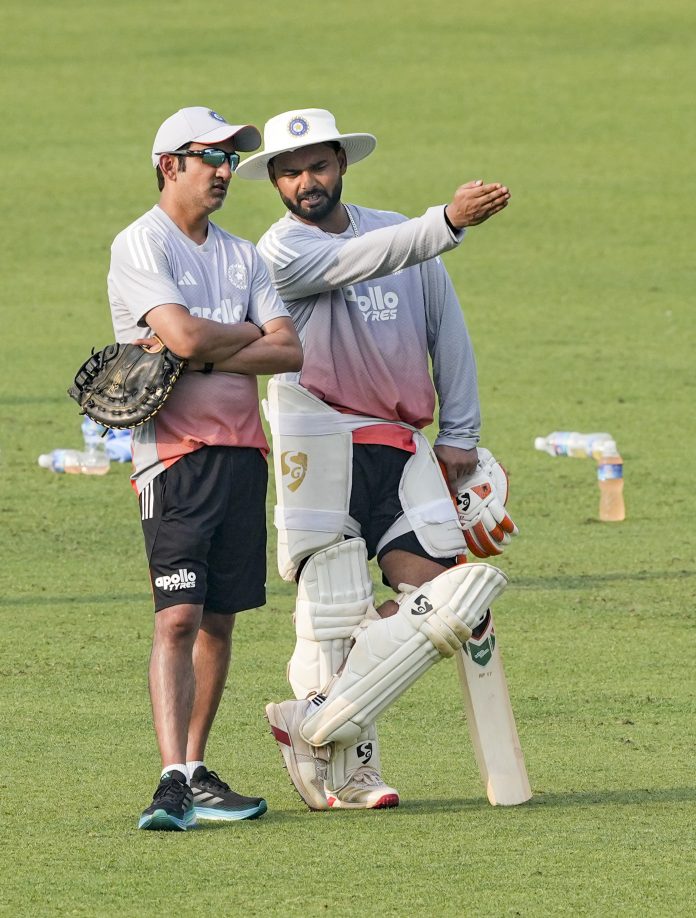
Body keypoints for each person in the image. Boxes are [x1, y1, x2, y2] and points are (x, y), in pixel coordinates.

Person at [236, 108, 516, 810]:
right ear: (275, 180)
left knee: (455, 596)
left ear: (342, 165)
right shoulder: (280, 253)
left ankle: (311, 720)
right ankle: (351, 769)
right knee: (332, 615)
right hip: (321, 442)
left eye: (319, 166)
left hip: (403, 444)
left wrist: (463, 436)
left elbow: (446, 332)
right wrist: (443, 223)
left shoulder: (397, 233)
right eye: (292, 172)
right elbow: (357, 261)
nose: (307, 182)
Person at [107, 106, 303, 831]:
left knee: (220, 619)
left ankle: (196, 772)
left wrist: (204, 348)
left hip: (244, 452)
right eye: (209, 156)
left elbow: (288, 351)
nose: (225, 170)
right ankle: (170, 780)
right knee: (179, 617)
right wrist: (240, 333)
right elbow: (183, 332)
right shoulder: (141, 244)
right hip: (175, 457)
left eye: (229, 158)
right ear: (169, 165)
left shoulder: (244, 254)